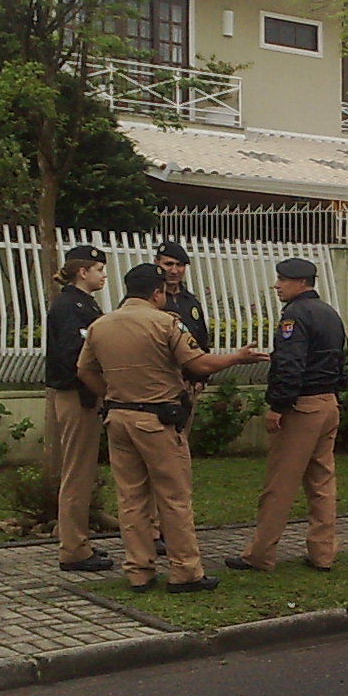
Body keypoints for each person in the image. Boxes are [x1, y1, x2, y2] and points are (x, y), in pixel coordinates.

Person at [76, 263, 268, 593]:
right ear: (157, 292)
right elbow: (198, 363)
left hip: (119, 418)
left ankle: (139, 570)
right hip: (157, 421)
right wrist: (237, 358)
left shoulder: (100, 326)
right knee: (174, 496)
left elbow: (84, 371)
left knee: (131, 498)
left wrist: (111, 395)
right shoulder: (165, 323)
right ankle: (185, 571)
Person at [224, 258, 347, 575]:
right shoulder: (330, 314)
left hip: (302, 407)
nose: (277, 285)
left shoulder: (294, 316)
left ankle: (260, 553)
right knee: (322, 481)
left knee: (280, 482)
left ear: (302, 283)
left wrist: (278, 405)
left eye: (283, 280)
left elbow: (290, 365)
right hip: (328, 402)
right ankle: (323, 552)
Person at [45, 244, 113, 573]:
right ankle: (73, 548)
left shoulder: (82, 303)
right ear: (82, 271)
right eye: (99, 269)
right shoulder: (70, 305)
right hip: (76, 394)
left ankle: (78, 540)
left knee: (82, 471)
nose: (103, 275)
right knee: (78, 472)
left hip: (84, 394)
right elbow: (78, 354)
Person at [150, 240, 211, 555]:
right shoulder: (149, 298)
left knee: (178, 459)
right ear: (158, 264)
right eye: (168, 264)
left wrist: (201, 377)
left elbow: (202, 342)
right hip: (157, 390)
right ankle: (154, 528)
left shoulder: (190, 301)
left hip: (186, 388)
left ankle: (173, 524)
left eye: (179, 265)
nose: (173, 271)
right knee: (158, 461)